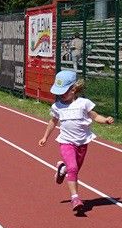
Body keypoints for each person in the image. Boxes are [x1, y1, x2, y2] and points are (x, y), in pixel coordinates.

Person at [38, 70, 114, 214]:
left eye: (63, 92)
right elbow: (53, 122)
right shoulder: (57, 106)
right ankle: (75, 198)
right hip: (66, 142)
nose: (61, 95)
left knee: (74, 168)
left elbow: (95, 116)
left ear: (73, 89)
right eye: (59, 93)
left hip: (82, 143)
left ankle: (62, 168)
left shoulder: (84, 104)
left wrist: (105, 120)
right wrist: (45, 137)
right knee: (73, 168)